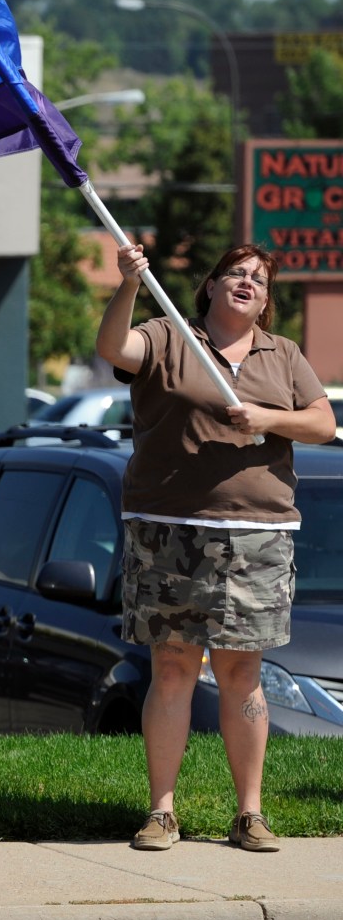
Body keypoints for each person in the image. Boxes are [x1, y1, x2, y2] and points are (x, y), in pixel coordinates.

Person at [98, 243, 333, 853]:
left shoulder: (282, 354)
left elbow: (322, 423)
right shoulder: (168, 335)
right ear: (211, 285)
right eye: (236, 273)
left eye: (260, 278)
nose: (247, 282)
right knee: (174, 667)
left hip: (258, 535)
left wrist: (266, 418)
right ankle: (161, 812)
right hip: (167, 529)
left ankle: (249, 814)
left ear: (266, 299)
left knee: (241, 673)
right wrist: (130, 283)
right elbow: (113, 349)